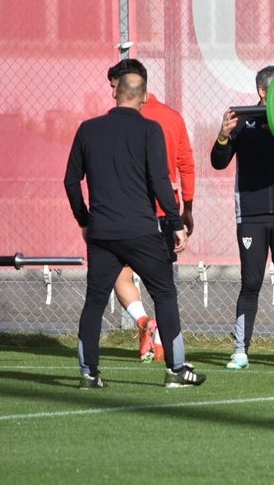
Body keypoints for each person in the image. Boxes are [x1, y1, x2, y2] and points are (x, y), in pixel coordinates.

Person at [64, 70, 205, 389]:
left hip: (101, 234)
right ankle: (177, 369)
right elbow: (159, 180)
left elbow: (71, 181)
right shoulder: (149, 129)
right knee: (165, 294)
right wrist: (176, 221)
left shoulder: (88, 129)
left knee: (95, 300)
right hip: (141, 231)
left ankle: (89, 373)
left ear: (116, 93)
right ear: (143, 97)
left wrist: (84, 220)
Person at [212, 66, 274, 371]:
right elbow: (218, 162)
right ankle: (241, 351)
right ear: (262, 92)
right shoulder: (242, 120)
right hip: (252, 215)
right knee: (251, 283)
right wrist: (222, 135)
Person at [106, 59, 195, 363]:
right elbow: (185, 163)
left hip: (132, 211)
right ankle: (163, 343)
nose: (112, 93)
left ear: (128, 85)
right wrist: (187, 208)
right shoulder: (172, 117)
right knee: (162, 283)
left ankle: (145, 323)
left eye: (115, 87)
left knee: (119, 272)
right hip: (165, 210)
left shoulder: (124, 120)